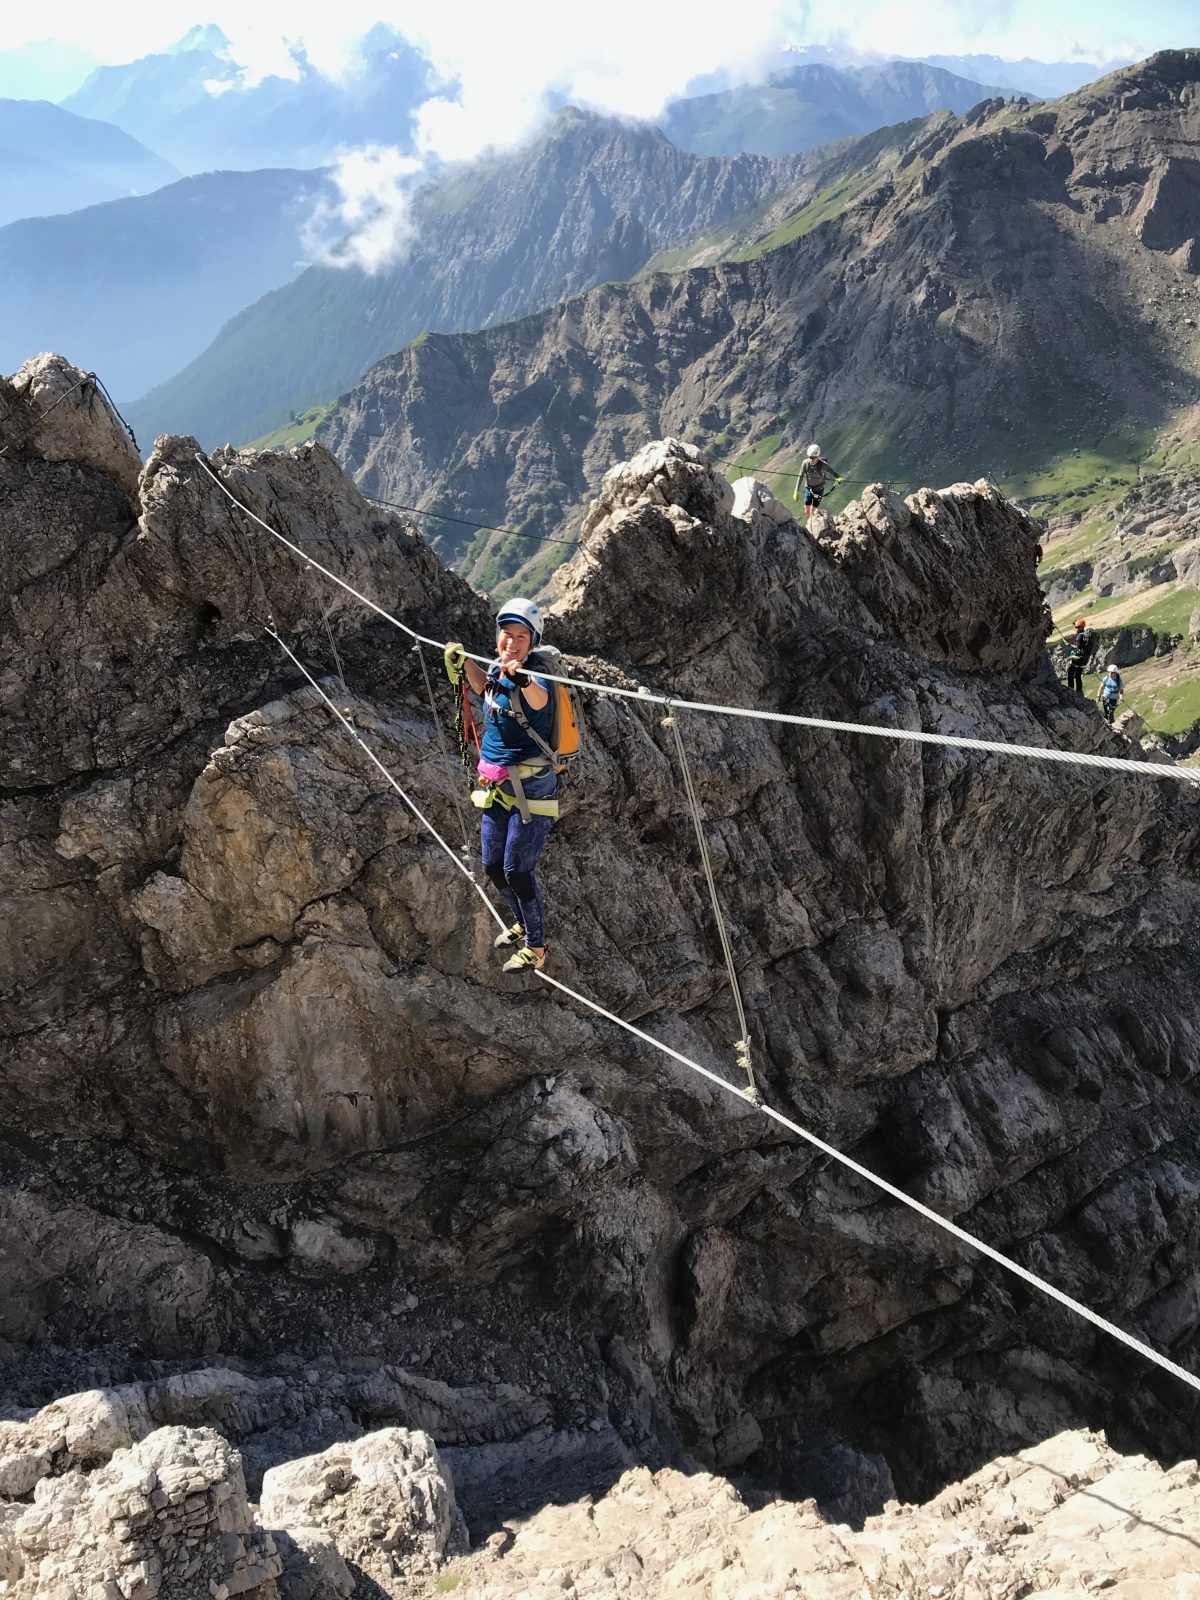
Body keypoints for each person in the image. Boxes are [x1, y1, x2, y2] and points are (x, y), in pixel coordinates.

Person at [445, 599, 557, 973]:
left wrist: (523, 679)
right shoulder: (497, 668)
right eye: (507, 634)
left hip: (532, 789)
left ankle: (536, 947)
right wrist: (467, 664)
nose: (512, 642)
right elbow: (485, 690)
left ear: (532, 641)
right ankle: (523, 924)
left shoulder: (538, 674)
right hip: (497, 784)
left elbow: (539, 697)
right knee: (493, 867)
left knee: (518, 871)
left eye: (521, 636)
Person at [793, 443, 841, 521]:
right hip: (809, 488)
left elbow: (832, 471)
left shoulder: (823, 465)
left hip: (819, 489)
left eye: (813, 458)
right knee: (806, 509)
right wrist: (796, 490)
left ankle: (812, 523)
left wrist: (838, 477)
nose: (811, 460)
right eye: (810, 457)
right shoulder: (805, 463)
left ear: (818, 457)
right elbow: (800, 476)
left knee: (813, 510)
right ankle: (810, 520)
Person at [1065, 617, 1096, 694]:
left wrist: (1069, 644)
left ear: (1080, 627)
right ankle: (1079, 691)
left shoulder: (1079, 636)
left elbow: (1077, 647)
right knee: (1078, 675)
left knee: (1071, 674)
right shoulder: (1086, 635)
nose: (1076, 629)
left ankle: (1070, 689)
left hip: (1078, 658)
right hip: (1085, 659)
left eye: (1077, 627)